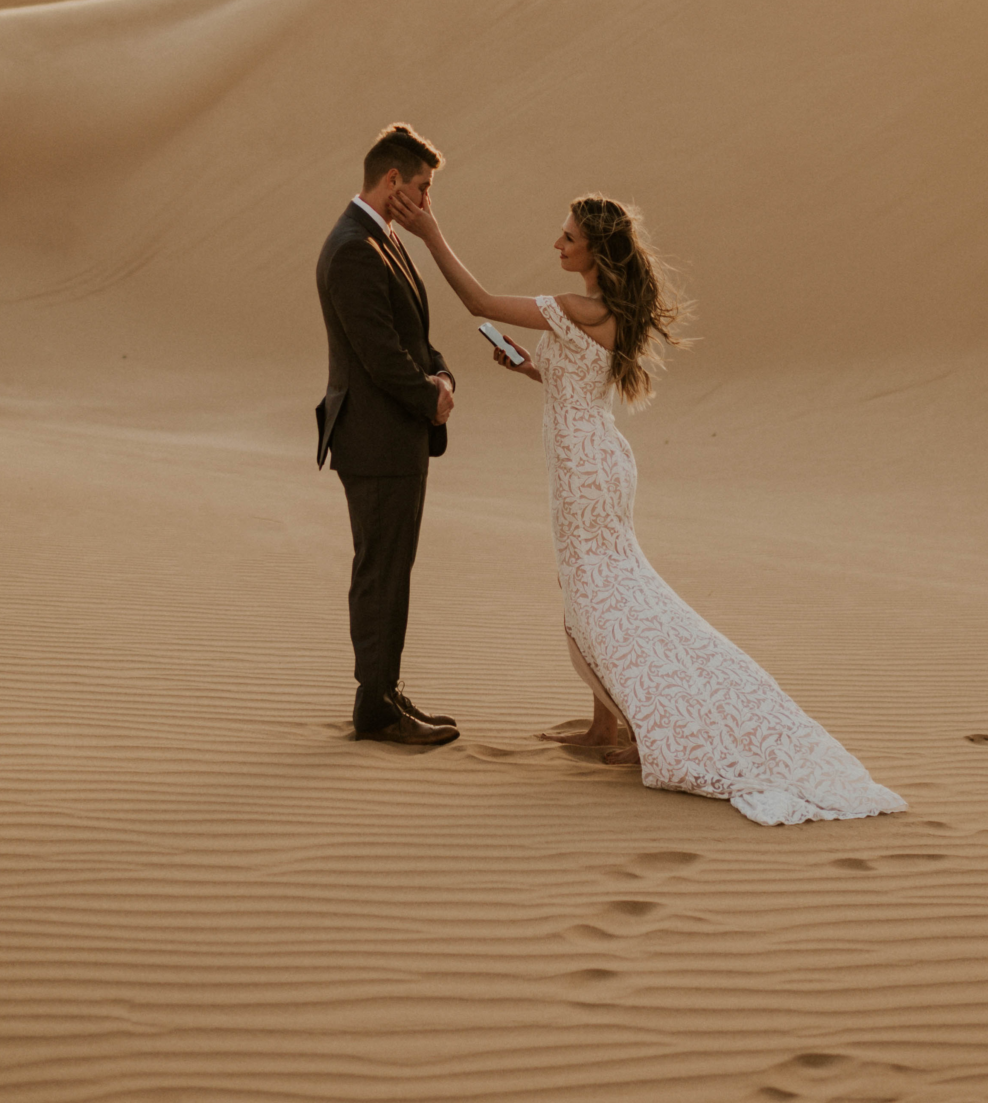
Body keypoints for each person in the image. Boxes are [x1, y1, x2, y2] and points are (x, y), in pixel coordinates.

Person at [389, 186, 905, 825]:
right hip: (597, 459)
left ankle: (632, 722)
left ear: (596, 251)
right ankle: (607, 725)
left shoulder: (577, 306)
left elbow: (476, 300)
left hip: (584, 468)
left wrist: (430, 232)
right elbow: (575, 379)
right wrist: (527, 367)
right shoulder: (602, 311)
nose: (557, 244)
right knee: (600, 587)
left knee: (594, 592)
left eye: (568, 237)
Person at [314, 123, 460, 747]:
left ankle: (385, 690)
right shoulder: (352, 247)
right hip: (375, 440)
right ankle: (374, 706)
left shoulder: (382, 240)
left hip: (393, 437)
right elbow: (380, 355)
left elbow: (412, 336)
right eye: (424, 188)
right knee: (380, 572)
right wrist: (432, 397)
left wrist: (443, 371)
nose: (428, 203)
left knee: (391, 570)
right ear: (393, 179)